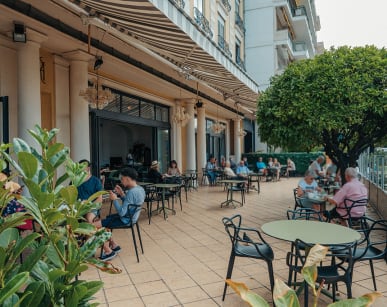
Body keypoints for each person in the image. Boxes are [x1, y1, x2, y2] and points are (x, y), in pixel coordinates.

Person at [94, 168, 145, 261]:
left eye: (122, 178)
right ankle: (114, 245)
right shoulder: (140, 189)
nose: (121, 181)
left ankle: (108, 252)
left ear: (127, 179)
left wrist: (114, 199)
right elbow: (130, 205)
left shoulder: (131, 192)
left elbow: (122, 213)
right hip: (132, 218)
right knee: (107, 219)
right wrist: (121, 194)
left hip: (125, 220)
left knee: (95, 225)